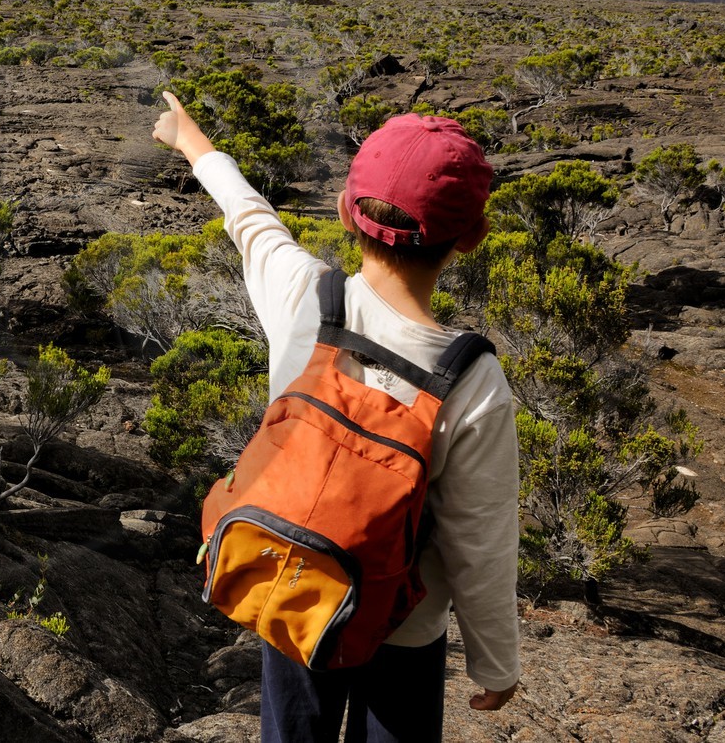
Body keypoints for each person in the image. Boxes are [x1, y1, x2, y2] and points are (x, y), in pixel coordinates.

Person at [152, 94, 521, 743]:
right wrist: (496, 662)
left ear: (347, 212)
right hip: (404, 628)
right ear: (472, 237)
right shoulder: (474, 382)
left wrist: (191, 141)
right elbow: (481, 543)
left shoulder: (305, 296)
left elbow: (251, 219)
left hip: (293, 583)